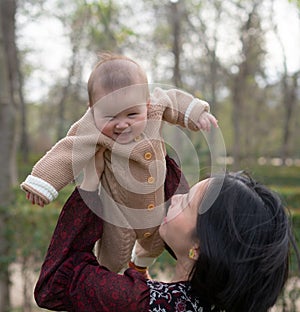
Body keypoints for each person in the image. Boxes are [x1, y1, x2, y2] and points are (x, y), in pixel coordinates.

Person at [21, 53, 218, 275]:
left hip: (157, 202)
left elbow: (173, 100)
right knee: (113, 256)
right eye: (111, 117)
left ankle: (139, 265)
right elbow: (69, 150)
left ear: (147, 103)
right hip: (119, 211)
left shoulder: (155, 108)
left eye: (132, 114)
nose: (122, 124)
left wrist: (196, 113)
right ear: (93, 109)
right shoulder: (92, 128)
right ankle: (108, 282)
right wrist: (42, 182)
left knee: (156, 245)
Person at [34, 150, 291, 312]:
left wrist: (90, 185)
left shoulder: (146, 303)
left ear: (199, 249)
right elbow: (174, 195)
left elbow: (56, 285)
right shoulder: (216, 300)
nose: (176, 198)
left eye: (187, 202)